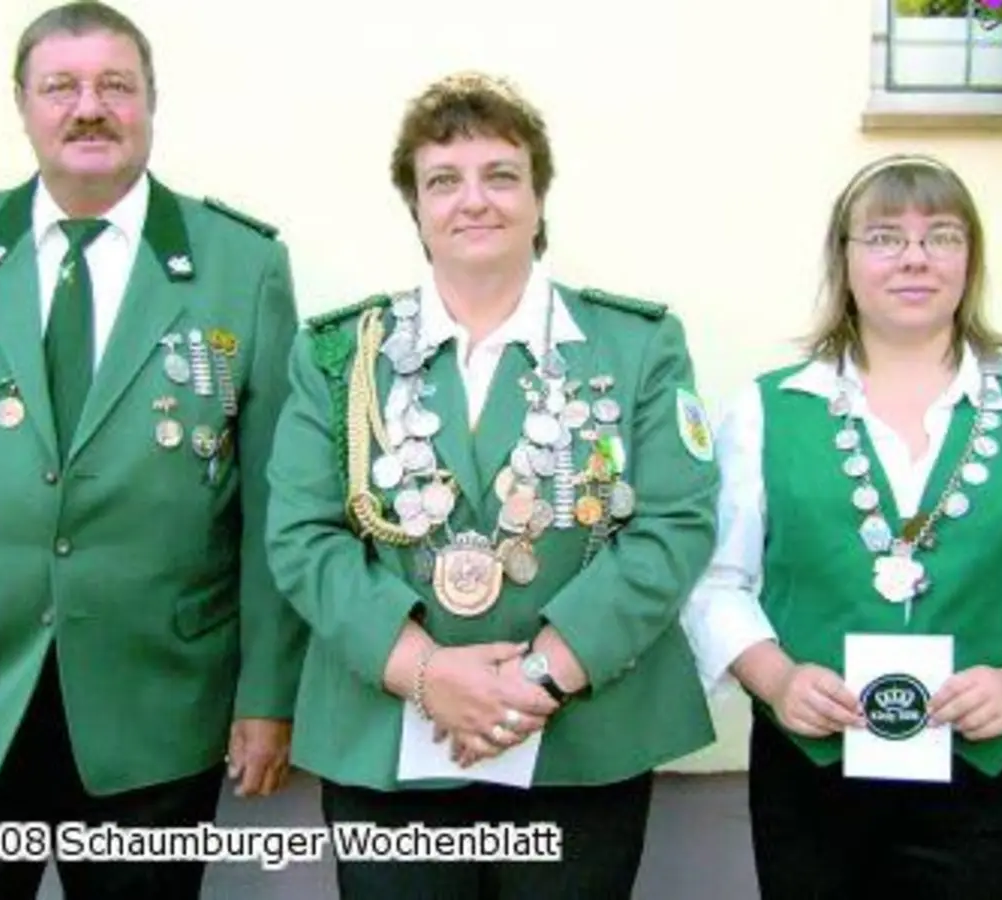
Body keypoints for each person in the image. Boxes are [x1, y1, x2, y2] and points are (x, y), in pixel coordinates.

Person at [0, 3, 307, 897]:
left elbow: (273, 505)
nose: (88, 108)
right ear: (22, 105)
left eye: (115, 86)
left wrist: (267, 695)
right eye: (60, 86)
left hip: (157, 711)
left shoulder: (239, 263)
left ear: (151, 102)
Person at [265, 71, 721, 899]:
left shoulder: (636, 345)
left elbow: (675, 525)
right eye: (443, 180)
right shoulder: (340, 356)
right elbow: (301, 535)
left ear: (540, 199)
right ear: (415, 207)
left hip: (583, 739)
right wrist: (429, 674)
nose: (473, 201)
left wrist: (532, 680)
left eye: (500, 175)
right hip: (388, 741)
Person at [682, 153, 1002, 899]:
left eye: (942, 236)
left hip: (984, 775)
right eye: (885, 236)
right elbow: (714, 582)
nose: (915, 256)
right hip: (812, 775)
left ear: (970, 260)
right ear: (845, 260)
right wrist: (778, 677)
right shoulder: (768, 409)